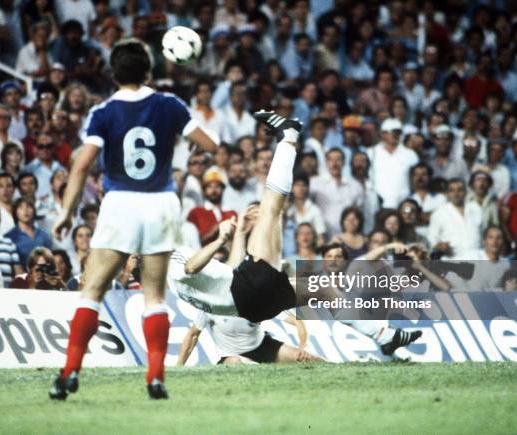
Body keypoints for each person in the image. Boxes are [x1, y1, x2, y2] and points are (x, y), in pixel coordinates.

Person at [167, 111, 421, 362]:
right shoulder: (173, 261)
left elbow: (226, 270)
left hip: (250, 307)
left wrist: (241, 235)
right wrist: (221, 240)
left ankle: (383, 336)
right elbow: (190, 266)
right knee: (270, 207)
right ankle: (288, 134)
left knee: (321, 288)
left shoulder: (172, 283)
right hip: (246, 290)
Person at [48, 39, 217, 401]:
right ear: (149, 71)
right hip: (160, 203)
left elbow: (81, 164)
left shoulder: (103, 111)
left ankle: (69, 372)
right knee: (155, 296)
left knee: (92, 290)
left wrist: (66, 210)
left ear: (113, 74)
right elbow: (211, 145)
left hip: (120, 203)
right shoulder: (169, 104)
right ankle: (155, 377)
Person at [177, 310, 322, 366]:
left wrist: (303, 345)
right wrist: (179, 366)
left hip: (263, 347)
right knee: (238, 364)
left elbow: (297, 321)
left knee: (306, 358)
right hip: (231, 355)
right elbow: (193, 334)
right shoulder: (210, 304)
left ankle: (339, 368)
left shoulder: (257, 300)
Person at [310, 148, 364, 239]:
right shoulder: (315, 183)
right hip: (323, 235)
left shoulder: (355, 186)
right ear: (326, 163)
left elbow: (359, 213)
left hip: (348, 236)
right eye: (331, 159)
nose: (334, 163)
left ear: (344, 162)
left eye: (338, 159)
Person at [368, 118, 419, 209]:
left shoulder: (410, 154)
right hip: (377, 204)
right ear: (383, 134)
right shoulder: (371, 152)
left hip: (403, 204)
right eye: (392, 132)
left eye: (398, 132)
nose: (395, 135)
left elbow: (416, 180)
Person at [428, 178, 482, 259]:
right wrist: (439, 246)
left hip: (476, 258)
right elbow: (431, 238)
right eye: (452, 190)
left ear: (466, 192)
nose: (456, 193)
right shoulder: (439, 212)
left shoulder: (475, 208)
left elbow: (482, 232)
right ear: (447, 194)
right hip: (452, 260)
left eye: (460, 190)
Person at [187, 170, 237, 246]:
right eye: (209, 187)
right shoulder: (196, 212)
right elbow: (192, 242)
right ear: (204, 191)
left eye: (217, 186)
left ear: (223, 189)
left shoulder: (231, 213)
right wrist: (214, 231)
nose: (214, 190)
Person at [5, 198, 53, 268]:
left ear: (34, 210)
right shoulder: (10, 237)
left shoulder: (44, 235)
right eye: (21, 207)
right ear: (15, 212)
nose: (25, 210)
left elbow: (50, 259)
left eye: (29, 206)